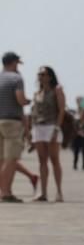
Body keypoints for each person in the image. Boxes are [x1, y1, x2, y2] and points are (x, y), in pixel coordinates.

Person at [31, 66, 65, 202]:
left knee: (54, 159)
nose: (41, 76)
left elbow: (62, 110)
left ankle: (59, 191)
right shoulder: (37, 93)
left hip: (52, 126)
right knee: (42, 160)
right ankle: (43, 193)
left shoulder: (57, 90)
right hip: (38, 127)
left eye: (43, 74)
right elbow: (34, 112)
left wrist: (56, 129)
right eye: (39, 74)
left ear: (50, 76)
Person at [0, 52, 31, 202]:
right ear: (13, 63)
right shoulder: (16, 78)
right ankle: (5, 193)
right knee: (11, 159)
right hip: (12, 122)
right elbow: (20, 99)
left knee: (1, 159)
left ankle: (6, 191)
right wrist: (27, 102)